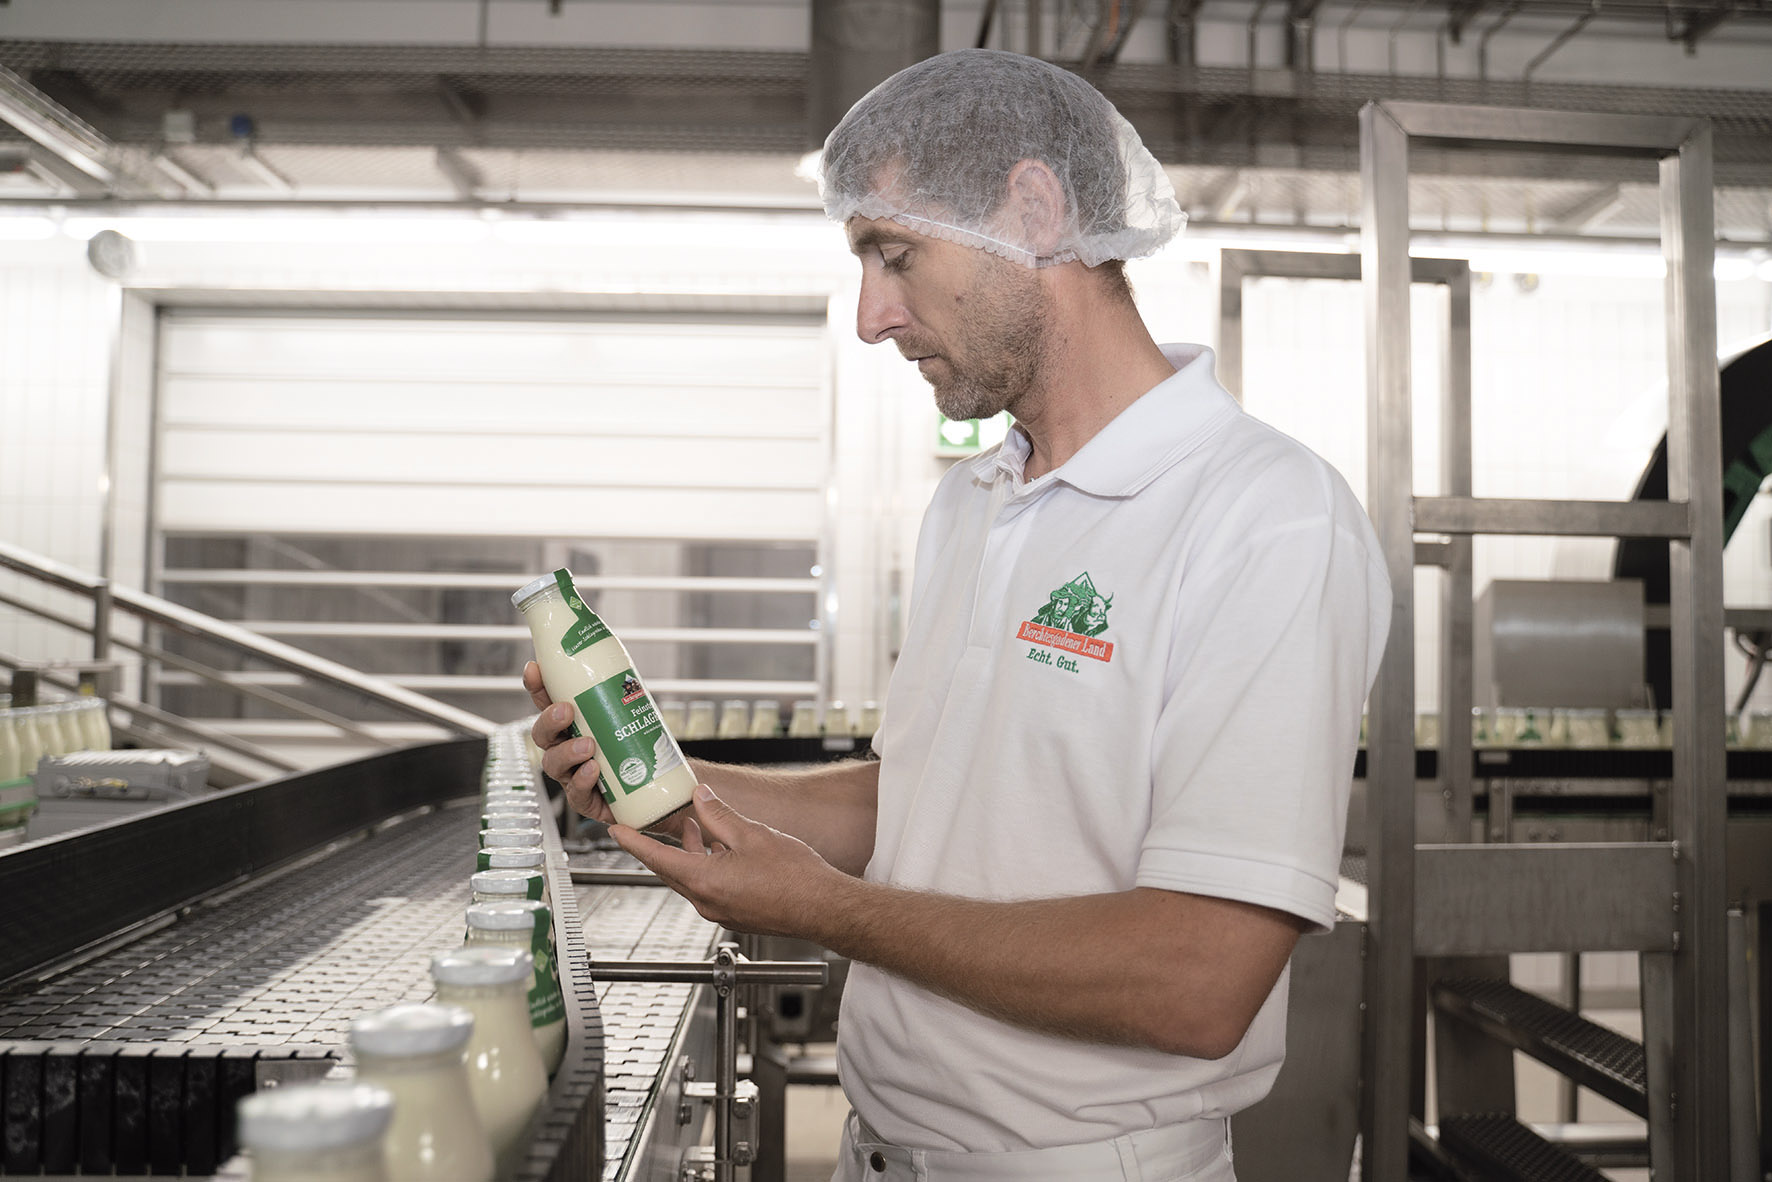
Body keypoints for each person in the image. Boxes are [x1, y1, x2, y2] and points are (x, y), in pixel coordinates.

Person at [527, 48, 1390, 1182]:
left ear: (1033, 210)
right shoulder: (974, 500)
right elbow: (925, 799)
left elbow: (1198, 978)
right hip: (881, 1152)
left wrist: (827, 909)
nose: (870, 317)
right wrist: (663, 779)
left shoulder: (1264, 515)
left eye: (894, 254)